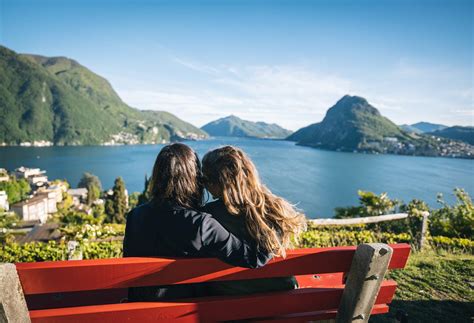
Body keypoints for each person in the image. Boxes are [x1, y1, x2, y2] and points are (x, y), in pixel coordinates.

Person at [123, 143, 271, 301]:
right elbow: (255, 257)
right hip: (185, 312)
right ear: (192, 178)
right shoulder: (201, 225)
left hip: (140, 309)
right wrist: (272, 222)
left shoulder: (134, 216)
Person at [201, 145, 307, 296]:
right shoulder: (276, 209)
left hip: (228, 304)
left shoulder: (207, 216)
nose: (205, 185)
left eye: (205, 179)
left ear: (217, 182)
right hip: (281, 299)